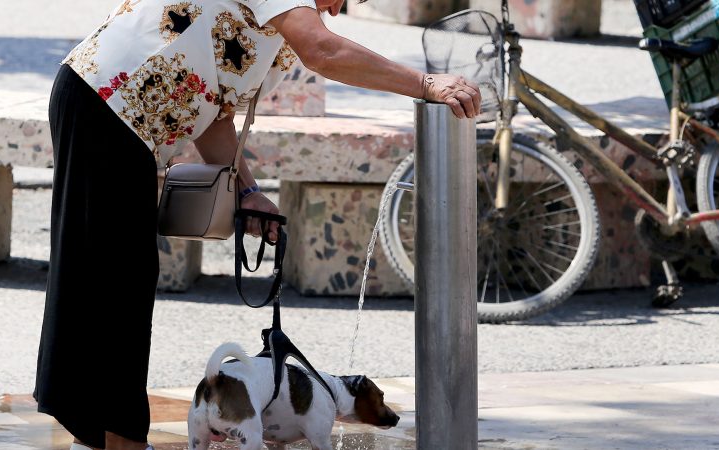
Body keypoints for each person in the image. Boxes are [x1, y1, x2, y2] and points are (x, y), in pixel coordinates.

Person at [33, 1, 481, 449]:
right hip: (106, 104)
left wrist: (247, 193)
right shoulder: (293, 18)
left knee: (114, 282)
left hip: (114, 113)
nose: (336, 10)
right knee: (116, 285)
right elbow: (323, 51)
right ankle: (117, 440)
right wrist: (425, 84)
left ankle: (99, 436)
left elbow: (213, 115)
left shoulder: (277, 31)